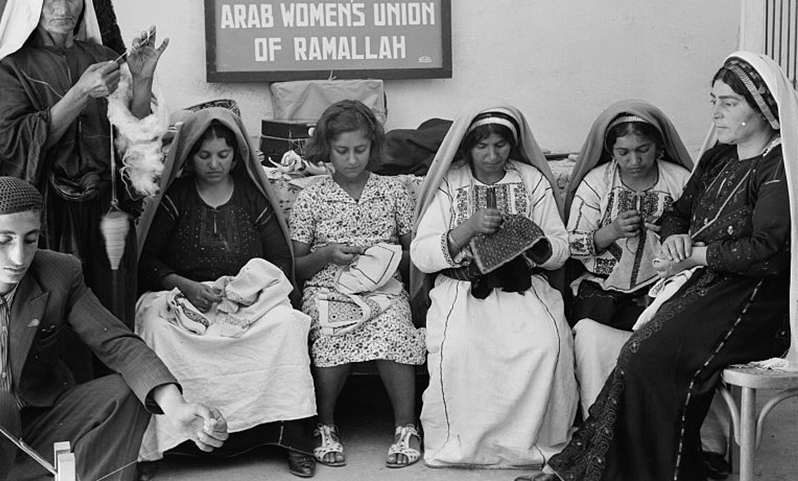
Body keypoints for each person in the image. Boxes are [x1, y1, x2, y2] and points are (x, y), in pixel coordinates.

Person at [531, 52, 797, 481]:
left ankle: (648, 470)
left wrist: (695, 255)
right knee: (639, 353)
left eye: (729, 103)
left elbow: (768, 250)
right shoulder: (718, 158)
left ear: (764, 106)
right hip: (705, 286)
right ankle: (611, 466)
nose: (716, 113)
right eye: (714, 100)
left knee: (648, 355)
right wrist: (675, 235)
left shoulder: (781, 165)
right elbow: (678, 212)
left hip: (753, 301)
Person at [0, 176, 228, 481]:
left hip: (36, 431)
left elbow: (117, 342)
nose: (19, 256)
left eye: (30, 240)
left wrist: (176, 407)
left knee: (126, 391)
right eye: (3, 241)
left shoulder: (58, 273)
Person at [0, 0, 168, 327]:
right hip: (49, 213)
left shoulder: (102, 56)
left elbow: (131, 137)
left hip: (106, 210)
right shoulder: (13, 67)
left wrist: (143, 78)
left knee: (111, 315)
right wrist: (81, 92)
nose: (63, 7)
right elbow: (14, 145)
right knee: (57, 318)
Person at [134, 107, 317, 478]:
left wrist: (244, 290)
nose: (214, 164)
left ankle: (290, 437)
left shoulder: (251, 196)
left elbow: (281, 259)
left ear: (236, 156)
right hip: (182, 299)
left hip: (246, 300)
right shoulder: (176, 198)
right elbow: (147, 261)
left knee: (287, 324)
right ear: (189, 157)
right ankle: (163, 443)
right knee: (153, 325)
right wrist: (184, 285)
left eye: (223, 154)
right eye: (204, 155)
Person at [410, 103, 577, 469]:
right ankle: (460, 446)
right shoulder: (450, 182)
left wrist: (533, 243)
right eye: (481, 146)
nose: (491, 155)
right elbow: (422, 253)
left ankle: (535, 446)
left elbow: (560, 247)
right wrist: (467, 229)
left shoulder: (531, 180)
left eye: (500, 145)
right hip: (462, 289)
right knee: (459, 347)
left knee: (546, 343)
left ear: (512, 145)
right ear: (467, 147)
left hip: (524, 288)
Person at [289, 100, 426, 469]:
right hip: (327, 289)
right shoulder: (311, 196)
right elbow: (296, 267)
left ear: (373, 147)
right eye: (341, 151)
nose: (351, 160)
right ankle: (324, 424)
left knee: (394, 329)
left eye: (360, 150)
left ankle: (406, 426)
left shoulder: (395, 190)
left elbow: (415, 254)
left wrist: (385, 259)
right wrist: (327, 255)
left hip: (384, 290)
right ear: (326, 149)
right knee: (330, 333)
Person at [564, 100, 692, 413]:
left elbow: (701, 234)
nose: (634, 160)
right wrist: (611, 231)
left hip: (664, 289)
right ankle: (599, 420)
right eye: (623, 152)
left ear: (659, 147)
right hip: (603, 290)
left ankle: (654, 423)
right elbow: (570, 245)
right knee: (591, 334)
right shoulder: (597, 183)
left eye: (643, 150)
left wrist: (668, 234)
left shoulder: (680, 180)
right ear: (611, 151)